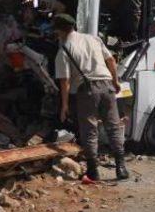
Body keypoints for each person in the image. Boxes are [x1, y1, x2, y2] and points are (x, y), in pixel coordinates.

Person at [53, 14, 129, 181]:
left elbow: (64, 82)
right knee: (114, 127)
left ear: (59, 31)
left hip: (87, 91)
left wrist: (64, 105)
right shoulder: (93, 39)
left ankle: (93, 171)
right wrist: (115, 81)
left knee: (90, 131)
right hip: (107, 86)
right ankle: (121, 168)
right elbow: (111, 60)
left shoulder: (64, 49)